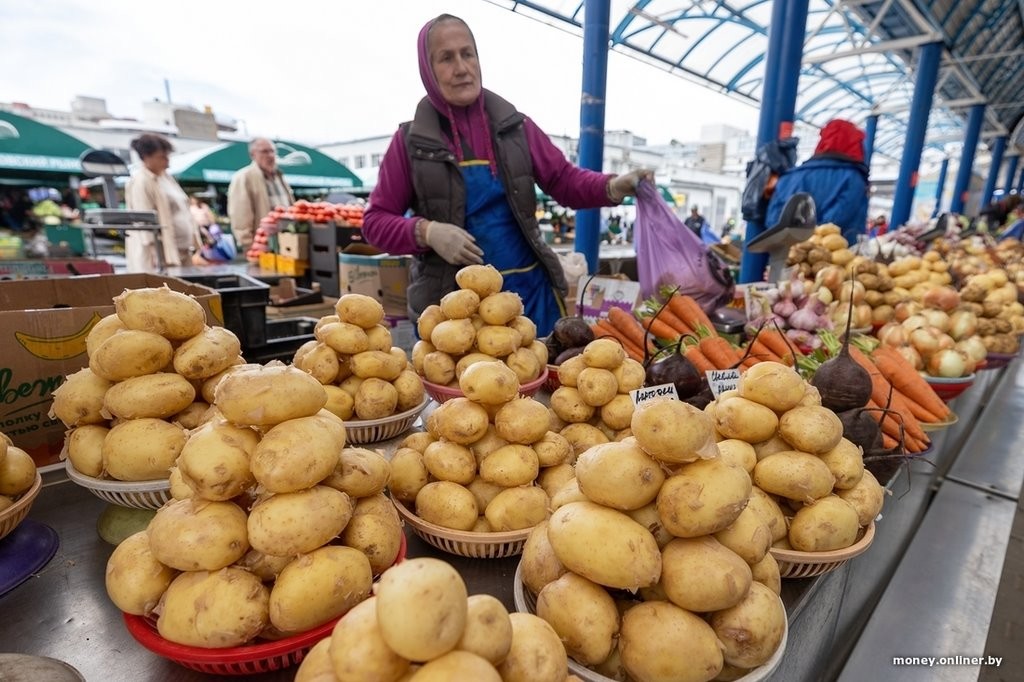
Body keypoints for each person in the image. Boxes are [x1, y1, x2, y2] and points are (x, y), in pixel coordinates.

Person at [362, 13, 652, 335]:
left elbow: (564, 181)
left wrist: (613, 185)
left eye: (467, 53)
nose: (461, 68)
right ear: (428, 70)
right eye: (446, 58)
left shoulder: (516, 128)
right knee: (475, 385)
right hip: (456, 313)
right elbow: (374, 223)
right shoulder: (410, 143)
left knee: (542, 380)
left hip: (530, 295)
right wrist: (427, 232)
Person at [765, 119, 869, 246]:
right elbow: (836, 222)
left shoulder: (789, 176)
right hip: (835, 260)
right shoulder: (853, 178)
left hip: (786, 256)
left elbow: (773, 221)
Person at [124, 134, 205, 271]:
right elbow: (144, 220)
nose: (167, 162)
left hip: (182, 249)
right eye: (162, 157)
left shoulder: (167, 178)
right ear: (146, 157)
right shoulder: (141, 181)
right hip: (161, 255)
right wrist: (154, 252)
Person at [227, 137, 294, 253]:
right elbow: (240, 216)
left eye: (272, 151)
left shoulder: (279, 176)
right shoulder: (244, 177)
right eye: (265, 151)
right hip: (263, 246)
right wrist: (249, 245)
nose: (270, 155)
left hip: (288, 243)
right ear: (253, 155)